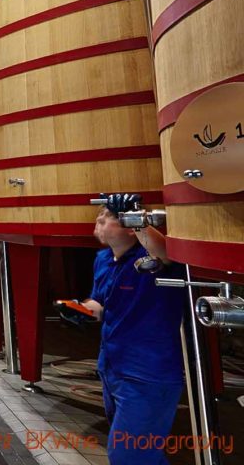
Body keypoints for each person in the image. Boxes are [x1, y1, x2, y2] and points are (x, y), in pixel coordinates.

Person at [80, 194, 187, 464]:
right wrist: (80, 310)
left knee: (129, 455)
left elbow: (166, 253)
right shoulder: (103, 259)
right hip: (112, 368)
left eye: (107, 218)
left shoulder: (153, 260)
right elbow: (100, 303)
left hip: (147, 373)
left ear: (129, 227)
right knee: (139, 453)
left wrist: (136, 217)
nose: (99, 220)